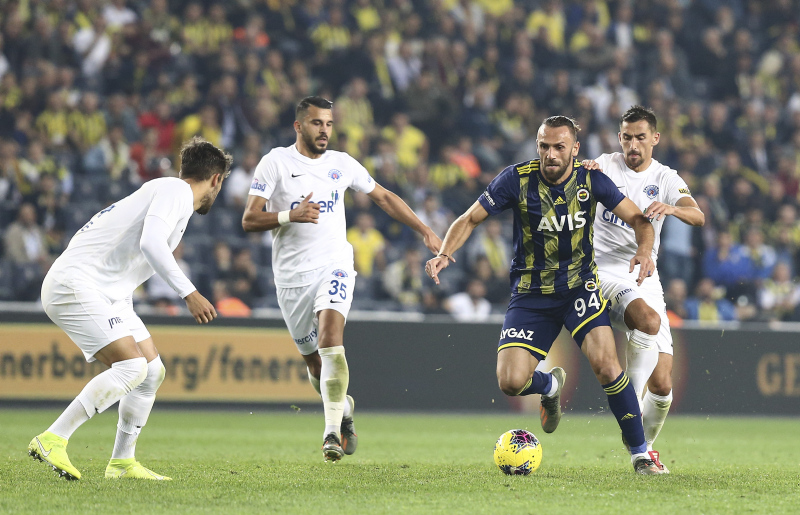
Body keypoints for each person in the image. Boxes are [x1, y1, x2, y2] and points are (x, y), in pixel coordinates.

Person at [426, 116, 663, 475]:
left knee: (607, 366)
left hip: (579, 287)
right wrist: (445, 252)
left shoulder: (592, 180)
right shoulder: (515, 179)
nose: (550, 154)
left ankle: (640, 454)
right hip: (531, 295)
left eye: (559, 147)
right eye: (544, 146)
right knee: (510, 382)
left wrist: (644, 251)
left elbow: (640, 220)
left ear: (575, 149)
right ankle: (550, 385)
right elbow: (471, 218)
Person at [242, 96, 441, 462]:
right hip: (291, 278)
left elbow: (383, 197)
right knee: (315, 367)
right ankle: (343, 409)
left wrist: (424, 229)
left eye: (329, 124)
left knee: (331, 339)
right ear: (299, 126)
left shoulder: (342, 163)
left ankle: (330, 433)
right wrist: (289, 215)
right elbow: (249, 219)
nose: (325, 130)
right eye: (317, 123)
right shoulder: (275, 162)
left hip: (334, 265)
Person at [29, 137, 230, 481]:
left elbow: (128, 256)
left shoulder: (167, 193)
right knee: (132, 367)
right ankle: (53, 438)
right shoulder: (176, 191)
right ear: (216, 179)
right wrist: (189, 292)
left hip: (109, 291)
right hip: (76, 283)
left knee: (151, 371)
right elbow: (150, 243)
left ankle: (122, 463)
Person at [582, 106, 705, 473]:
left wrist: (672, 208)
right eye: (626, 137)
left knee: (663, 385)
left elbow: (698, 215)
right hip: (603, 270)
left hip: (645, 274)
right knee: (648, 321)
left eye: (639, 137)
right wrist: (582, 172)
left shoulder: (666, 177)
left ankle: (644, 449)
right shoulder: (604, 166)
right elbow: (578, 179)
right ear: (619, 138)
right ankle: (630, 409)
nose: (632, 145)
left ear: (655, 138)